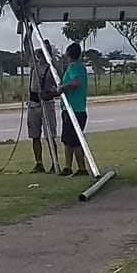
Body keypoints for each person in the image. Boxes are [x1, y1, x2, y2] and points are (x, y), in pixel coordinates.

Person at [23, 38, 58, 173]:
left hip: (46, 103)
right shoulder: (34, 64)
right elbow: (26, 45)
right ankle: (39, 163)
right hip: (33, 103)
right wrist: (29, 30)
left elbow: (59, 86)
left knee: (50, 136)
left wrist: (50, 94)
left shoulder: (52, 67)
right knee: (34, 135)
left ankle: (55, 163)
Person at [57, 42, 89, 176]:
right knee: (67, 140)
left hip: (73, 110)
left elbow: (75, 83)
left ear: (68, 55)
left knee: (75, 141)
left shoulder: (73, 68)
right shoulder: (81, 68)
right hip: (74, 109)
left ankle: (82, 168)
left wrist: (62, 88)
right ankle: (68, 167)